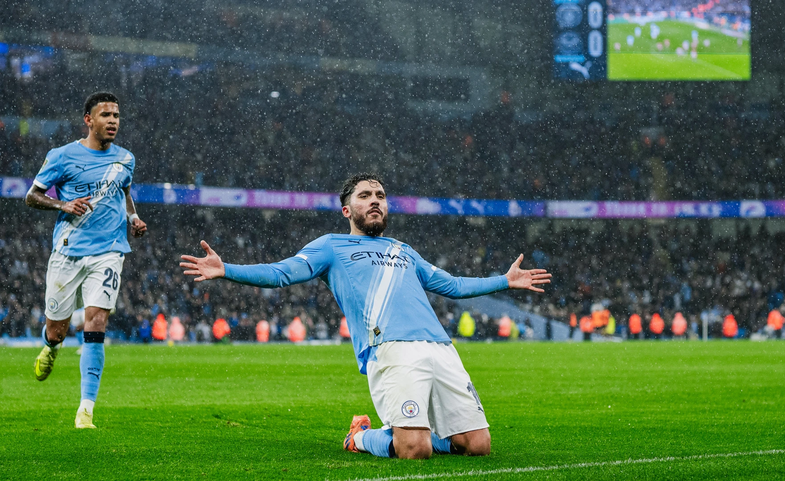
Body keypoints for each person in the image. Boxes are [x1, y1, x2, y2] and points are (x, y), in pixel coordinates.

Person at [179, 173, 551, 459]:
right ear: (347, 210)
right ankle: (358, 437)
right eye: (365, 196)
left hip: (441, 347)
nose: (375, 201)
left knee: (478, 445)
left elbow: (451, 285)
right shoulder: (331, 246)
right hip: (390, 347)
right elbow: (281, 273)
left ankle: (414, 430)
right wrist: (227, 268)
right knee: (414, 451)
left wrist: (504, 280)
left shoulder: (403, 249)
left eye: (380, 196)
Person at [25, 92, 147, 429]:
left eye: (117, 115)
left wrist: (133, 219)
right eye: (105, 115)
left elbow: (124, 193)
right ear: (88, 120)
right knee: (58, 328)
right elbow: (31, 196)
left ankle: (86, 409)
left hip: (109, 251)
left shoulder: (126, 159)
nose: (113, 121)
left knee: (96, 321)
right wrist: (61, 205)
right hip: (67, 252)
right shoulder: (62, 156)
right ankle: (50, 348)